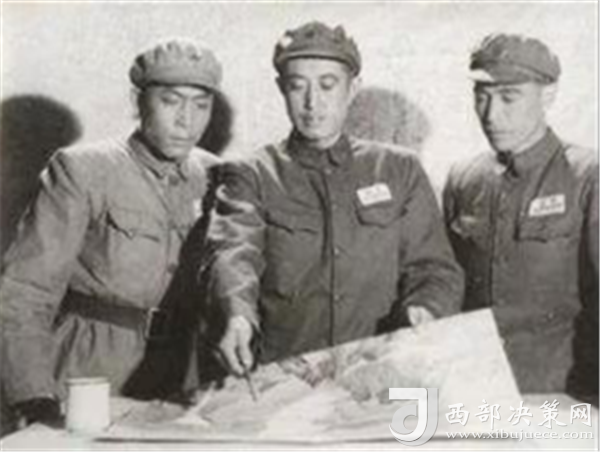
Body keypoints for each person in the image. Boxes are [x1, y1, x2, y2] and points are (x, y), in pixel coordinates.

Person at [207, 22, 463, 378]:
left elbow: (434, 268)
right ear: (281, 89)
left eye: (327, 85)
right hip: (285, 379)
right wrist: (237, 315)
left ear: (352, 88)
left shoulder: (398, 169)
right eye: (298, 86)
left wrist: (426, 308)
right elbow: (234, 252)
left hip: (379, 373)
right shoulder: (252, 173)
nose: (313, 102)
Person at [0, 38, 223, 427]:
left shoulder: (215, 175)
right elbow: (25, 291)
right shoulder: (83, 169)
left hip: (181, 378)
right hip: (90, 371)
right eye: (170, 101)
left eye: (200, 105)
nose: (186, 120)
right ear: (138, 101)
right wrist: (33, 394)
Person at [443, 34, 598, 400]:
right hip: (477, 393)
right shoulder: (465, 179)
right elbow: (447, 285)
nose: (491, 115)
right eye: (482, 96)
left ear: (548, 95)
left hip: (564, 395)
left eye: (509, 97)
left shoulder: (588, 176)